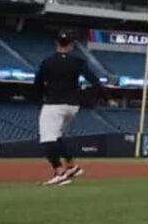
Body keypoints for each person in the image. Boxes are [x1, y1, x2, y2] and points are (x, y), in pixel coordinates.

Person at [36, 30, 102, 186]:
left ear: (56, 43)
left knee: (47, 139)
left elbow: (37, 84)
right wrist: (84, 95)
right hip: (72, 106)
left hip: (53, 104)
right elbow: (95, 82)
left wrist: (41, 99)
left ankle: (59, 172)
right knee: (56, 137)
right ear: (72, 45)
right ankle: (72, 166)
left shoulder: (48, 61)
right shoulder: (78, 61)